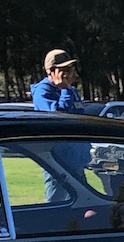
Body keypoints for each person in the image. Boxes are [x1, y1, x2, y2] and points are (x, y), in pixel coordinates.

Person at [30, 49, 85, 202]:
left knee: (82, 202)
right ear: (51, 71)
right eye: (64, 70)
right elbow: (58, 118)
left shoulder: (71, 90)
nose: (69, 73)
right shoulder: (43, 92)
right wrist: (65, 90)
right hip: (56, 160)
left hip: (76, 159)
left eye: (70, 69)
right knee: (56, 203)